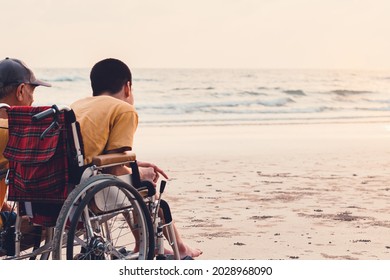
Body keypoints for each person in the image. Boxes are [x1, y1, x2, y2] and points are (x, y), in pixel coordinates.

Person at [70, 58, 202, 259]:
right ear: (128, 87)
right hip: (91, 189)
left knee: (128, 180)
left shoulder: (77, 106)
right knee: (143, 184)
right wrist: (141, 173)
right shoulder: (123, 109)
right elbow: (114, 170)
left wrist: (133, 166)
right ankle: (181, 248)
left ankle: (141, 243)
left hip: (71, 183)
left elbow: (98, 154)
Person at [0, 57, 51, 233]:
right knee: (55, 223)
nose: (32, 101)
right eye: (32, 93)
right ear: (21, 91)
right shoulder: (10, 133)